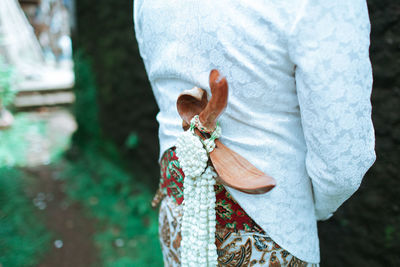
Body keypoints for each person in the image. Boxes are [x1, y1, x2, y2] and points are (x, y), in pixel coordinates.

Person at [133, 0, 376, 266]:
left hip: (177, 215)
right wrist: (301, 207)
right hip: (272, 237)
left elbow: (164, 95)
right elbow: (342, 163)